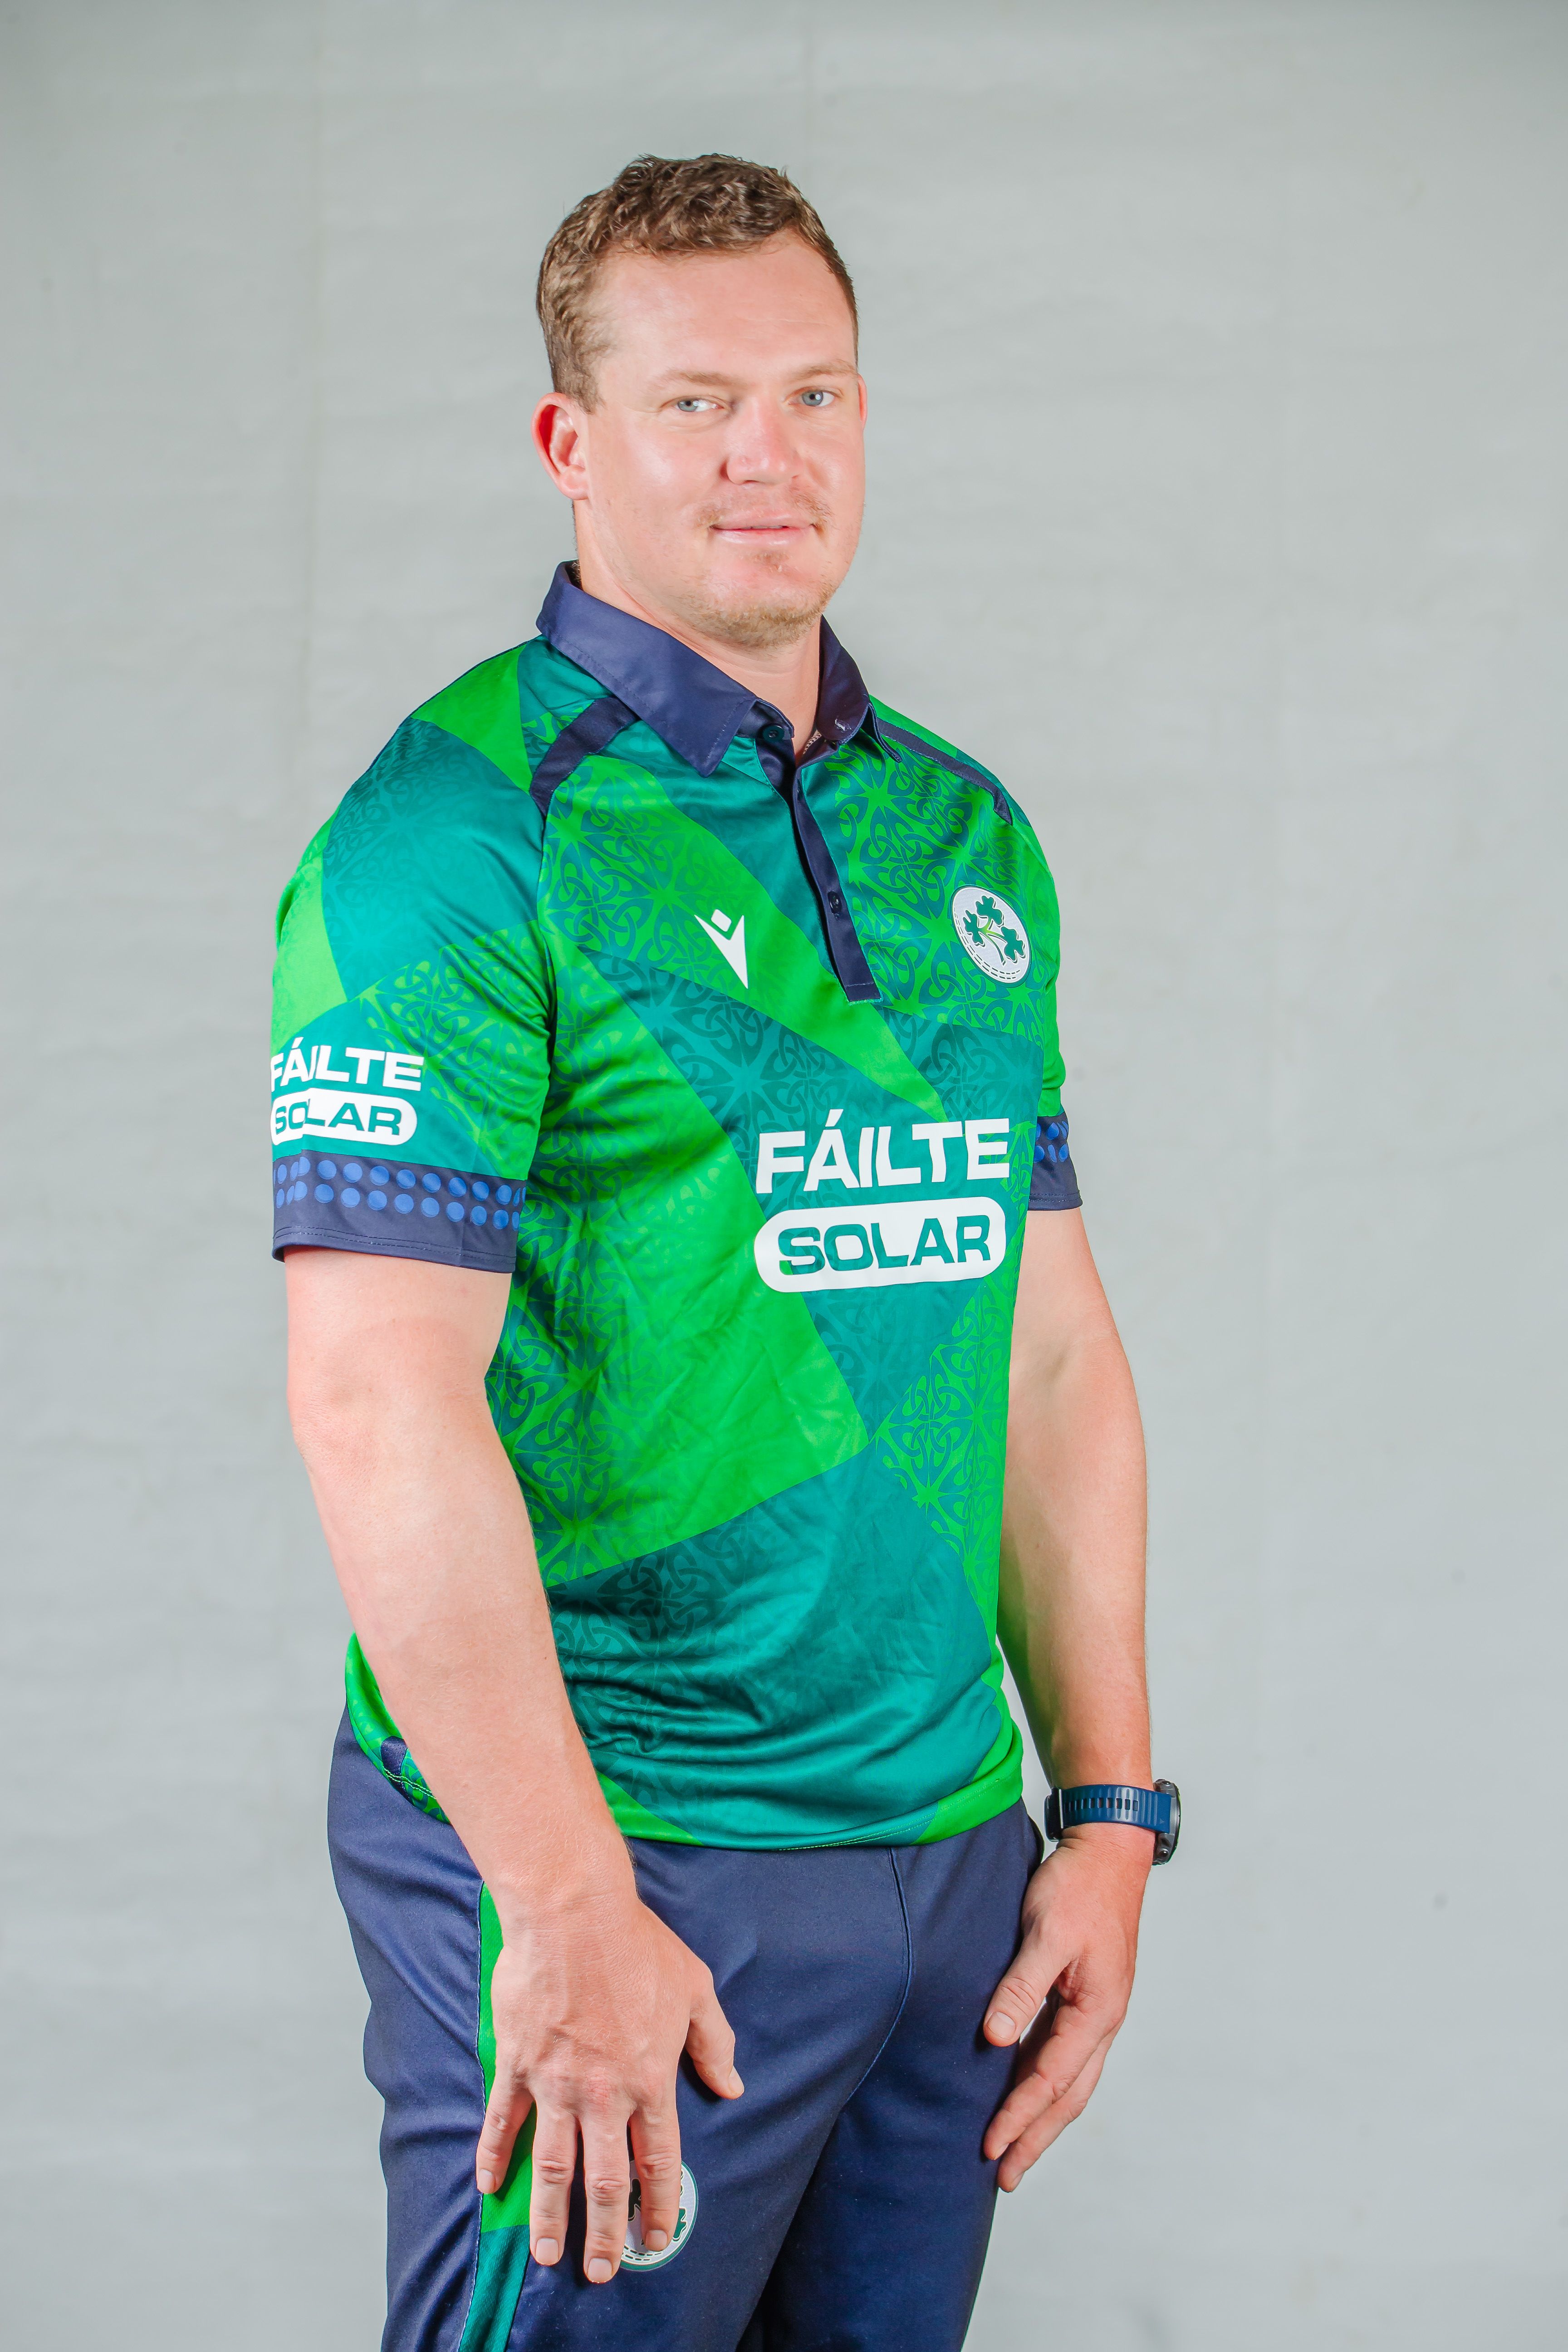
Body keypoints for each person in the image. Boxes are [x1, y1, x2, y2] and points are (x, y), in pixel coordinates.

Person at [273, 151, 1174, 2352]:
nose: (771, 457)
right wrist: (562, 1896)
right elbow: (376, 1398)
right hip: (628, 1851)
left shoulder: (962, 829)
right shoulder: (454, 839)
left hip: (949, 1861)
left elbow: (1048, 1348)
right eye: (697, 404)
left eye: (816, 394)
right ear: (572, 443)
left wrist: (1108, 1807)